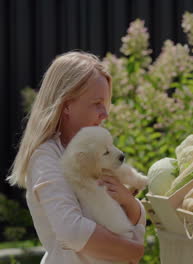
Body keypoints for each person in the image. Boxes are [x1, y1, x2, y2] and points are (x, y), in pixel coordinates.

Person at [7, 51, 146, 263]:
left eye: (106, 104)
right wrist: (133, 251)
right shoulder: (46, 158)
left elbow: (131, 219)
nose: (105, 113)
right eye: (96, 103)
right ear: (66, 105)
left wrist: (129, 201)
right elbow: (72, 231)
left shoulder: (97, 149)